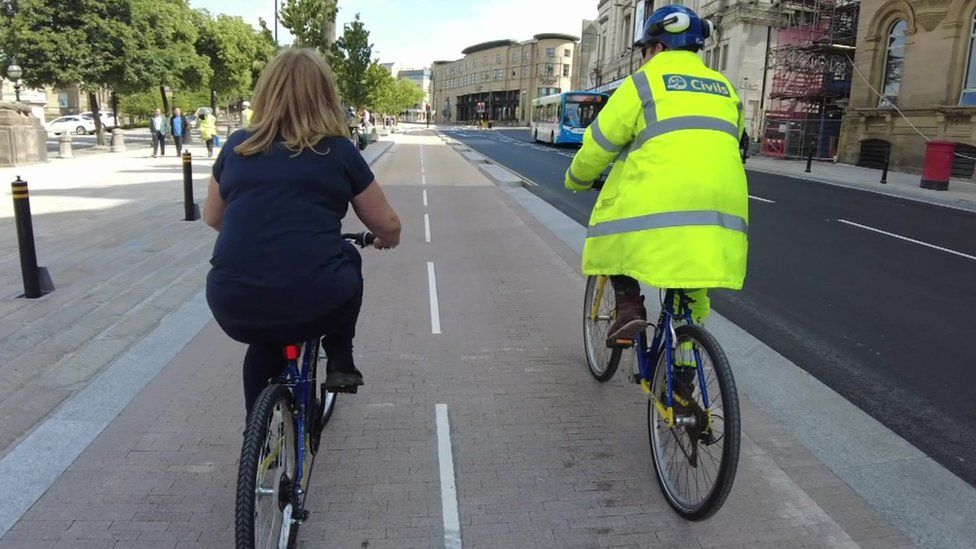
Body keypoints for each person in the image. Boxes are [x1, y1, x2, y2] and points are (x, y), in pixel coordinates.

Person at [203, 48, 402, 413]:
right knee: (347, 256)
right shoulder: (338, 150)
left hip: (232, 301)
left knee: (265, 344)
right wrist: (388, 240)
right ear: (325, 95)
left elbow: (213, 216)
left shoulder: (237, 146)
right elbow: (386, 223)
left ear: (266, 92)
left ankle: (257, 442)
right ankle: (341, 358)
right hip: (315, 297)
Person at [564, 5, 748, 343]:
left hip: (662, 203)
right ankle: (683, 381)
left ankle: (629, 307)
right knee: (691, 299)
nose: (644, 58)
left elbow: (598, 143)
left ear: (660, 47)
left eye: (645, 50)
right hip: (721, 210)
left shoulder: (643, 84)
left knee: (611, 233)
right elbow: (734, 139)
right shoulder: (726, 88)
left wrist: (576, 178)